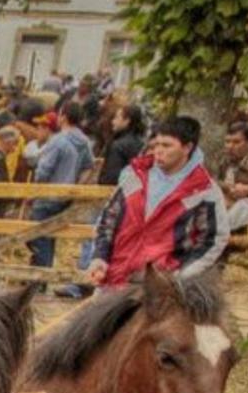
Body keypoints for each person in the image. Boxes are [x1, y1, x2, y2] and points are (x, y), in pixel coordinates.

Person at [85, 115, 228, 290]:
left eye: (167, 145)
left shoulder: (204, 191)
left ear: (187, 148)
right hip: (116, 276)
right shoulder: (135, 177)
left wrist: (182, 276)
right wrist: (99, 258)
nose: (158, 151)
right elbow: (108, 220)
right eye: (156, 145)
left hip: (163, 287)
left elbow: (212, 239)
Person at [27, 101, 95, 266]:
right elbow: (89, 167)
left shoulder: (58, 141)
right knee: (49, 236)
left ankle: (40, 277)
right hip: (65, 198)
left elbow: (43, 171)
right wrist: (75, 187)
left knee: (37, 237)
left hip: (47, 196)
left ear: (63, 117)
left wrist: (34, 192)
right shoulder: (84, 141)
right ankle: (43, 273)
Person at [101, 103, 146, 186]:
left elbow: (110, 178)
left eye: (117, 117)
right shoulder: (142, 143)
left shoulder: (118, 146)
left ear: (127, 121)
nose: (112, 121)